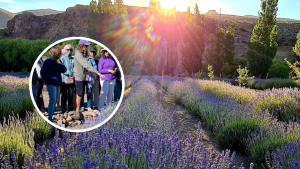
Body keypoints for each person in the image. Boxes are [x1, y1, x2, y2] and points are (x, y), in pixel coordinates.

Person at [73, 39, 104, 115]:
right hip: (79, 76)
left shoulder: (79, 53)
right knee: (79, 95)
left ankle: (76, 110)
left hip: (81, 76)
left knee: (77, 94)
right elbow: (86, 64)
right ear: (82, 45)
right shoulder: (78, 54)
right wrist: (98, 73)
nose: (87, 47)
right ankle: (77, 111)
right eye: (86, 46)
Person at [41, 46, 67, 121]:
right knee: (52, 99)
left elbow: (64, 70)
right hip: (51, 83)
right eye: (59, 54)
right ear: (56, 54)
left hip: (58, 83)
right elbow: (43, 73)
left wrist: (60, 64)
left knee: (55, 100)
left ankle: (51, 115)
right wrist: (51, 78)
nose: (60, 55)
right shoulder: (48, 61)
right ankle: (50, 116)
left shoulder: (58, 61)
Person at [60, 44, 75, 113]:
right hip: (64, 79)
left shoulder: (73, 59)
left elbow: (75, 68)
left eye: (70, 49)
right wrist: (66, 74)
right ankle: (63, 108)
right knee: (64, 94)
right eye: (67, 49)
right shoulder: (62, 58)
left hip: (71, 79)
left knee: (71, 93)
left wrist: (73, 75)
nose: (69, 51)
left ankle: (70, 107)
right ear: (65, 50)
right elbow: (60, 68)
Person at [86, 47, 99, 111]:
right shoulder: (85, 58)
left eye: (93, 52)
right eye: (91, 52)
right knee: (88, 92)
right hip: (86, 78)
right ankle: (88, 105)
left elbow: (96, 68)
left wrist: (91, 71)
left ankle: (95, 105)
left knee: (94, 91)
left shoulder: (96, 59)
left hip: (94, 77)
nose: (92, 53)